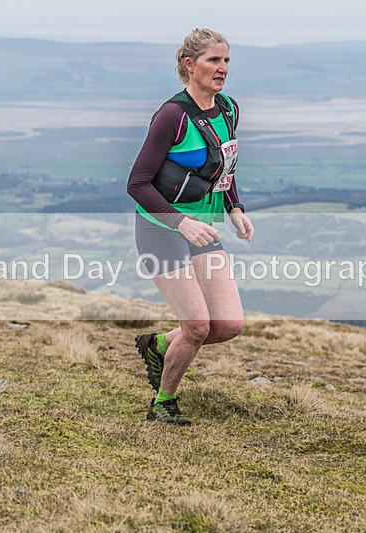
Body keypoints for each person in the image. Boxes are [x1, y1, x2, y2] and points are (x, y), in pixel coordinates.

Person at [126, 28, 254, 426]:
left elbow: (224, 168)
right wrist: (181, 222)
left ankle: (158, 344)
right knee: (197, 326)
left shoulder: (229, 109)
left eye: (226, 60)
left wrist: (235, 208)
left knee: (228, 324)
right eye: (214, 61)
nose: (222, 69)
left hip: (204, 228)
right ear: (189, 65)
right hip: (161, 228)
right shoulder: (172, 116)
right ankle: (163, 403)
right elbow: (137, 184)